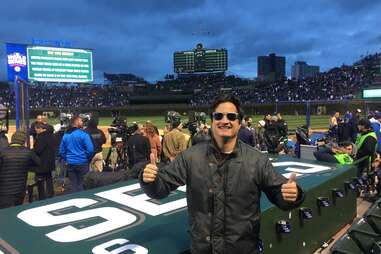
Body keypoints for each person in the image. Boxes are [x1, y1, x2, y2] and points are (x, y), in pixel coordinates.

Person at [140, 94, 304, 253]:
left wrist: (293, 195)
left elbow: (280, 194)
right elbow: (161, 188)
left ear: (239, 124)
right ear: (212, 122)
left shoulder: (257, 160)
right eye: (219, 116)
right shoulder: (191, 157)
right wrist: (149, 181)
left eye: (231, 117)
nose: (224, 120)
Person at [0, 130, 40, 209]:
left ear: (12, 139)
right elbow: (38, 162)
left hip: (4, 189)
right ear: (23, 141)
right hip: (20, 189)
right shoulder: (27, 152)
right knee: (16, 211)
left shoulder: (3, 152)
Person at [59, 115, 94, 193]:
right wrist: (86, 158)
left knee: (73, 184)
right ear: (77, 122)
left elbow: (61, 151)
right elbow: (90, 150)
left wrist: (67, 159)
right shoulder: (84, 134)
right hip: (82, 163)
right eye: (81, 121)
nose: (82, 122)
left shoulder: (66, 135)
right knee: (83, 184)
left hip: (71, 163)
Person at [33, 123, 56, 200]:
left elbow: (38, 150)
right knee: (49, 178)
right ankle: (50, 194)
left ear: (41, 129)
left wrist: (32, 151)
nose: (36, 131)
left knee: (40, 180)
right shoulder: (52, 136)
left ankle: (42, 196)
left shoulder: (41, 137)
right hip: (50, 162)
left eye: (36, 129)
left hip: (42, 162)